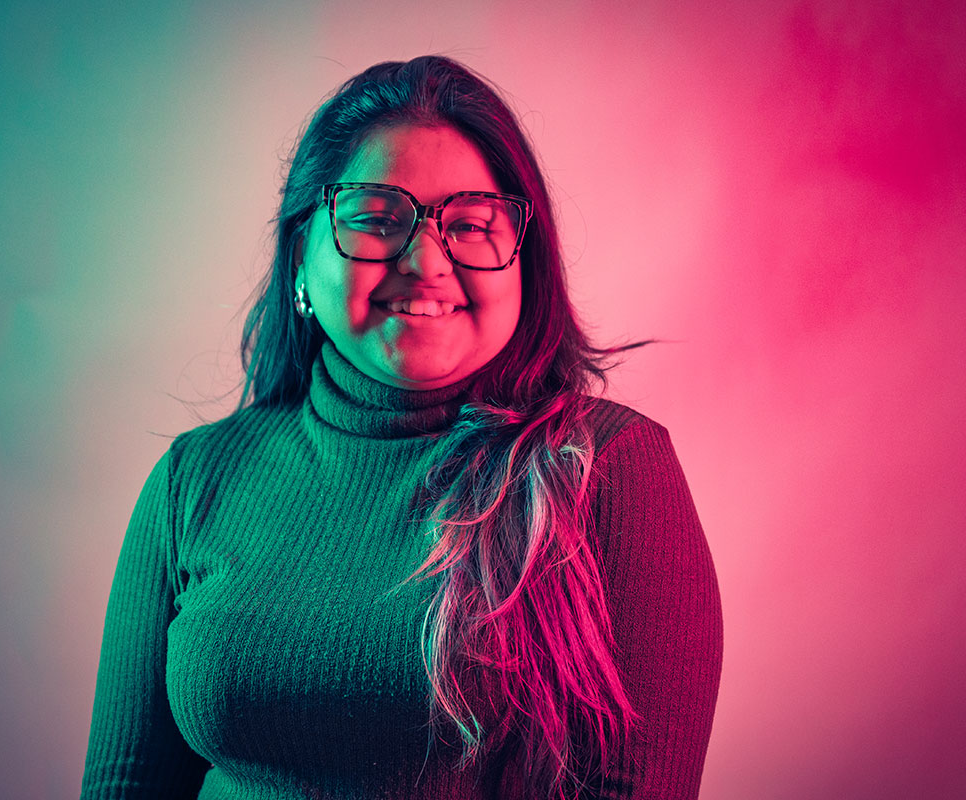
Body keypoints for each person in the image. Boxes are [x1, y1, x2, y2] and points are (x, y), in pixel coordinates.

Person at [80, 56, 722, 800]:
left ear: (524, 260)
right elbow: (127, 783)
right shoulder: (195, 478)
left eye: (473, 223)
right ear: (300, 253)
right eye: (376, 218)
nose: (426, 261)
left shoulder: (608, 468)